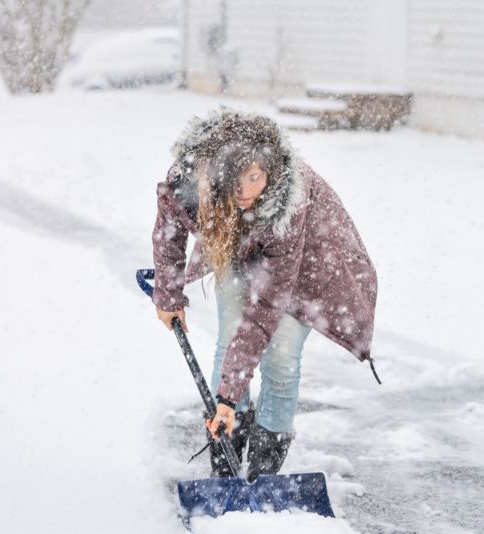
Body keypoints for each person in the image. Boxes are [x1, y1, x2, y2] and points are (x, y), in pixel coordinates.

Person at [151, 108, 379, 481]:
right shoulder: (189, 178)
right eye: (238, 180)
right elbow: (169, 230)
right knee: (229, 343)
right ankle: (225, 463)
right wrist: (168, 296)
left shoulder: (287, 203)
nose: (247, 192)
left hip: (305, 267)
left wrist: (225, 396)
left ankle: (263, 473)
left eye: (256, 177)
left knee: (282, 359)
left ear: (268, 170)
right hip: (239, 251)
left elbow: (265, 310)